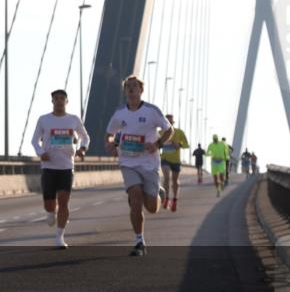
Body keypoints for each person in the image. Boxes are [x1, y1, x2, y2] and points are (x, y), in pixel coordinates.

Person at [105, 75, 173, 257]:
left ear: (141, 90)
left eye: (134, 86)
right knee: (135, 197)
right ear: (125, 91)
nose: (131, 89)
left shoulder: (151, 111)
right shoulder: (120, 113)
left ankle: (158, 193)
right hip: (128, 162)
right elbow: (110, 134)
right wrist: (111, 143)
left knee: (151, 207)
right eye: (128, 87)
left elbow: (169, 130)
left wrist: (157, 144)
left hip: (149, 164)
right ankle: (139, 242)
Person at [30, 89, 90, 249]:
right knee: (50, 204)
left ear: (66, 101)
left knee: (64, 202)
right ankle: (50, 213)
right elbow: (34, 140)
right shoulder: (44, 120)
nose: (59, 101)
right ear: (52, 102)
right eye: (56, 98)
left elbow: (85, 137)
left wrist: (82, 149)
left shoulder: (73, 119)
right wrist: (41, 153)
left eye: (62, 98)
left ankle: (60, 237)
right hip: (49, 166)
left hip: (66, 166)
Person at [159, 114, 189, 212]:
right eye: (167, 122)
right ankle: (166, 198)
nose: (168, 124)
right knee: (166, 178)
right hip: (164, 159)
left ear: (173, 123)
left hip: (176, 160)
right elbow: (154, 144)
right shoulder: (160, 132)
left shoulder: (179, 132)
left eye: (170, 122)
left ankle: (175, 199)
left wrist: (178, 144)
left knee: (175, 181)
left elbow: (186, 145)